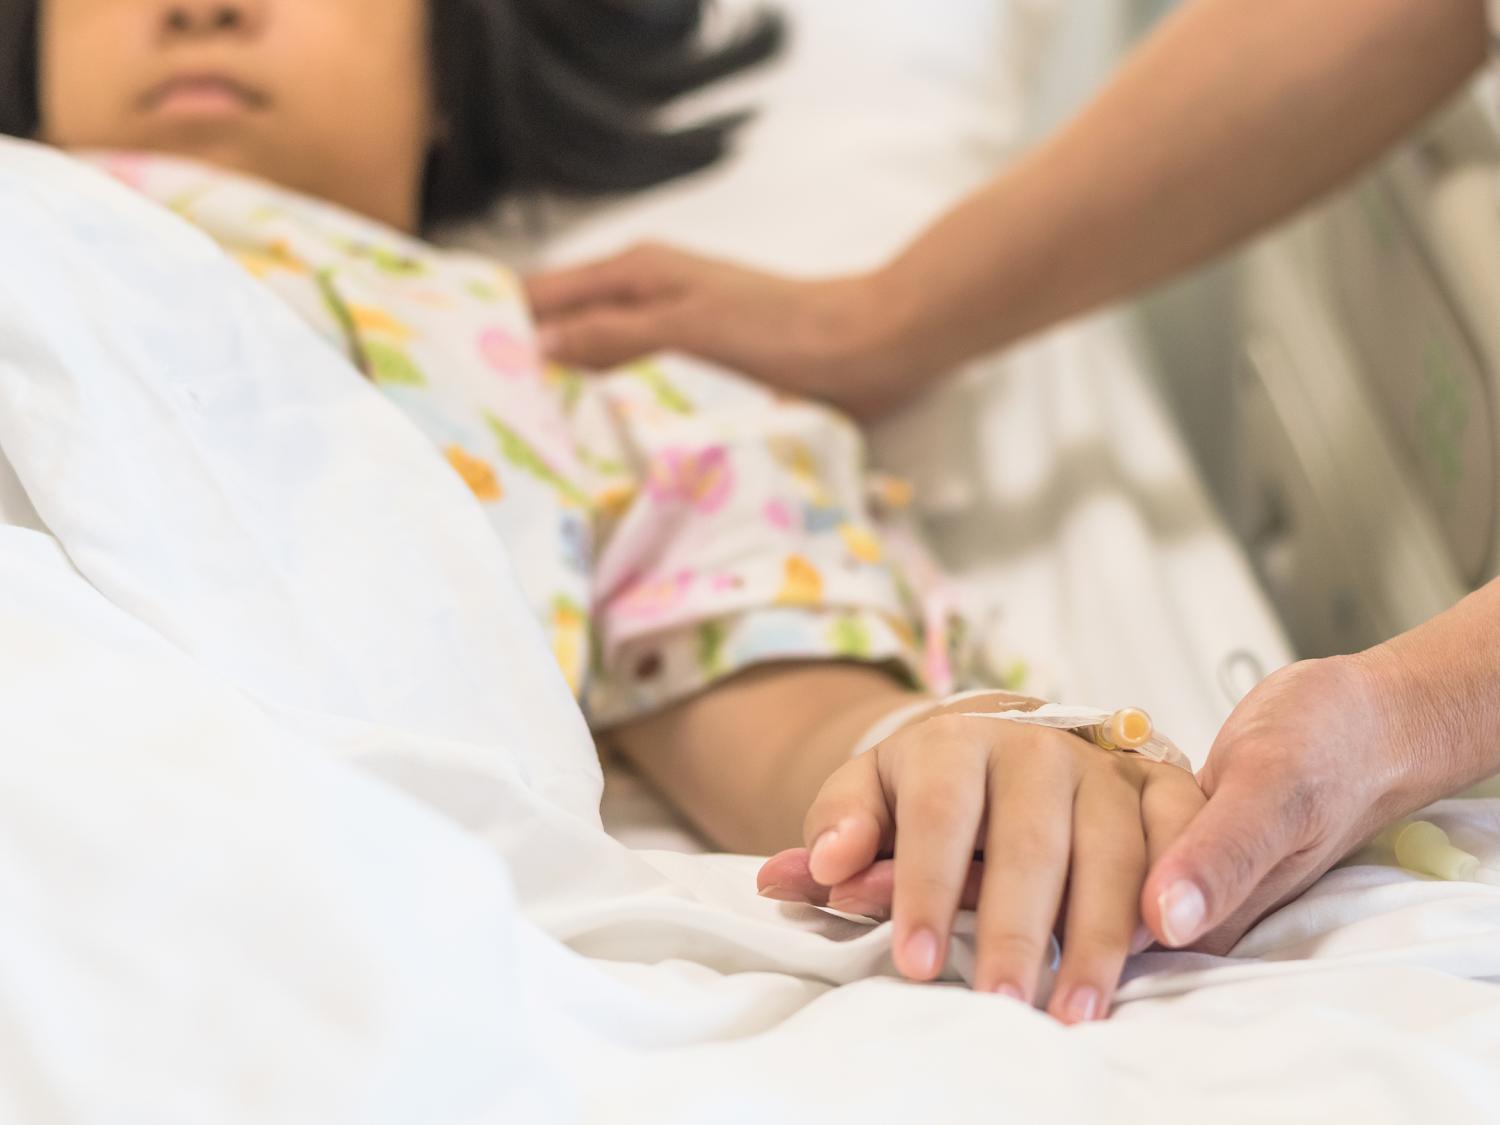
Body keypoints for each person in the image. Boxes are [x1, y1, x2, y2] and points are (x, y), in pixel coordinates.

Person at [0, 0, 1212, 1024]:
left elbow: (806, 738)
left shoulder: (583, 402)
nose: (202, 5)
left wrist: (960, 758)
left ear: (447, 71)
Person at [526, 0, 1500, 955]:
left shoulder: (525, 360)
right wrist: (874, 324)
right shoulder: (504, 339)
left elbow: (735, 633)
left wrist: (970, 749)